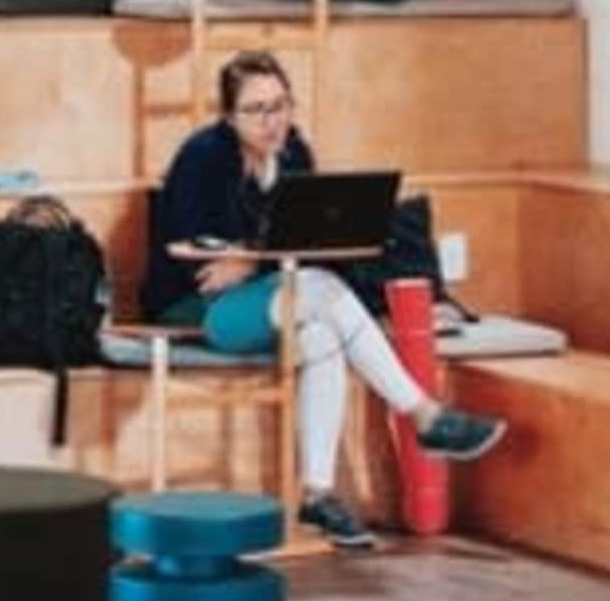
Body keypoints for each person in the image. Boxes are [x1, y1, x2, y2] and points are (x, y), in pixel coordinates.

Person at [142, 49, 506, 554]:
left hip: (271, 295)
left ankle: (317, 493)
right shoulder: (202, 157)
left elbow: (300, 242)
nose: (272, 121)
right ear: (229, 116)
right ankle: (422, 413)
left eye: (280, 105)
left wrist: (252, 261)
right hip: (196, 306)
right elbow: (199, 260)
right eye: (256, 110)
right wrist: (253, 260)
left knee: (319, 334)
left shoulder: (295, 154)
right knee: (319, 289)